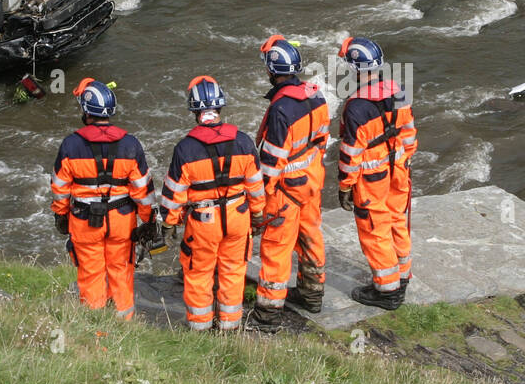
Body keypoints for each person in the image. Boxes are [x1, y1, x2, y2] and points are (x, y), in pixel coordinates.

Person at [159, 76, 266, 332]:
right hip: (238, 216)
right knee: (233, 271)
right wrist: (258, 215)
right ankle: (230, 327)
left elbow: (175, 193)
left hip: (203, 222)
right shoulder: (243, 141)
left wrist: (169, 224)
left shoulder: (185, 149)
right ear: (219, 108)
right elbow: (255, 185)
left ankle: (201, 328)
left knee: (199, 273)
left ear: (195, 110)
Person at [50, 77, 158, 320]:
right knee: (121, 272)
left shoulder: (70, 145)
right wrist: (148, 221)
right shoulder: (131, 145)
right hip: (121, 221)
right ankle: (124, 326)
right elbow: (143, 191)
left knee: (91, 273)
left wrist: (61, 215)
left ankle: (97, 331)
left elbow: (59, 188)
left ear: (86, 111)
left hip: (84, 221)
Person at [245, 35, 330, 332]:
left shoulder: (281, 110)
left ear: (271, 70)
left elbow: (271, 162)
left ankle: (267, 314)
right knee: (310, 236)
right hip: (311, 179)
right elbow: (321, 140)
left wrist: (258, 203)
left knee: (276, 248)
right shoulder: (316, 95)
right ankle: (311, 294)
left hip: (284, 190)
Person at [336, 37, 416, 310]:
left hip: (373, 179)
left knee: (375, 230)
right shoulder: (398, 90)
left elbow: (351, 152)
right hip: (399, 170)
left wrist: (345, 185)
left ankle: (387, 291)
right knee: (397, 221)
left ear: (354, 69)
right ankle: (402, 275)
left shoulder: (356, 107)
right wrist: (404, 160)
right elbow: (409, 134)